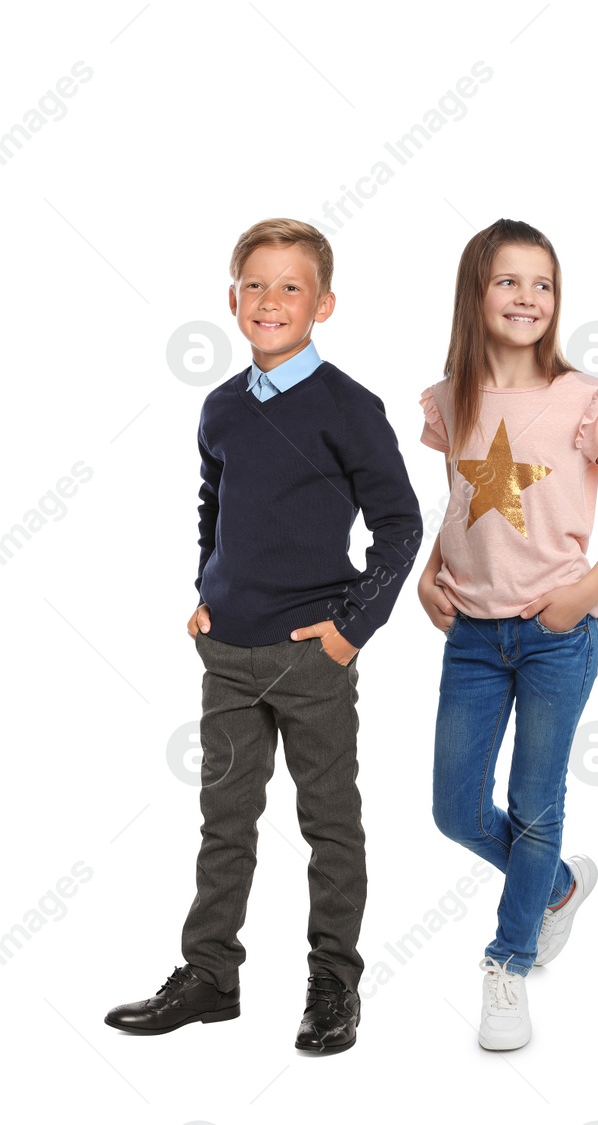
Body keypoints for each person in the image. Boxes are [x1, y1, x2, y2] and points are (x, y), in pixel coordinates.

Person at [105, 218, 424, 1054]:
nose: (271, 300)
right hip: (229, 654)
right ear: (233, 299)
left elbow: (399, 525)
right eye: (256, 285)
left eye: (291, 287)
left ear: (323, 302)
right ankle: (210, 974)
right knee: (224, 821)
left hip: (312, 656)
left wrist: (351, 631)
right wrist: (205, 592)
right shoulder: (220, 409)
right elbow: (214, 507)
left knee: (330, 824)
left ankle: (333, 984)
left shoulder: (350, 408)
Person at [418, 219, 598, 1051]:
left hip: (556, 635)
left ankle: (508, 965)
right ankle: (554, 884)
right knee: (453, 807)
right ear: (475, 294)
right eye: (509, 282)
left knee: (534, 801)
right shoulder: (450, 398)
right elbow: (456, 497)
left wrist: (584, 594)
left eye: (542, 284)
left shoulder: (587, 398)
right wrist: (426, 572)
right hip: (473, 639)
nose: (527, 298)